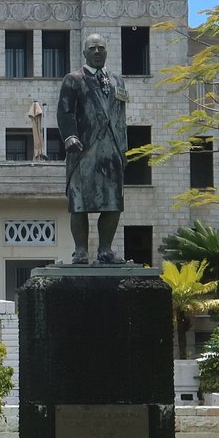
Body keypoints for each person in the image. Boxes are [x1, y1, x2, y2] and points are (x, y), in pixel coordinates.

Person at [56, 32, 129, 264]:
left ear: (107, 51)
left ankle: (106, 250)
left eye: (101, 48)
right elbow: (65, 112)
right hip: (83, 150)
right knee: (79, 203)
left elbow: (121, 117)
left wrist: (123, 149)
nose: (97, 52)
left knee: (113, 203)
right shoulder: (73, 79)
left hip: (112, 150)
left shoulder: (117, 81)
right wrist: (70, 137)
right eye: (92, 48)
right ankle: (80, 251)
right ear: (85, 53)